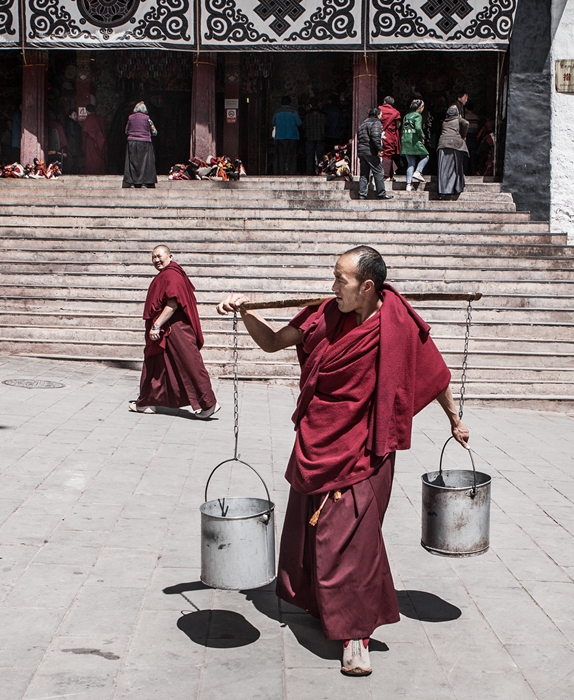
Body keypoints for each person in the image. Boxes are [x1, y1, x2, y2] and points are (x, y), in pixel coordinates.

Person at [218, 246, 470, 676]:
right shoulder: (321, 316)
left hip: (367, 449)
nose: (333, 287)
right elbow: (274, 342)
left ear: (367, 286)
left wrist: (454, 418)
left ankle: (356, 634)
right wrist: (244, 313)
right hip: (319, 439)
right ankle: (325, 606)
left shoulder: (397, 323)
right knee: (313, 533)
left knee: (352, 541)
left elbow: (435, 371)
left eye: (341, 280)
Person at [130, 245, 219, 419]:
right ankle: (148, 401)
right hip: (169, 328)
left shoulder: (172, 274)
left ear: (170, 256)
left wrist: (156, 325)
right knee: (157, 363)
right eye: (153, 257)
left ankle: (209, 403)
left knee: (190, 363)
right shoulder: (169, 273)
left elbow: (173, 304)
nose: (156, 260)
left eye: (159, 256)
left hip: (175, 328)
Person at [357, 108, 392, 200]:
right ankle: (381, 193)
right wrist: (379, 149)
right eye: (381, 114)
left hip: (362, 152)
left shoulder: (363, 123)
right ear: (377, 114)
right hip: (370, 151)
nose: (381, 116)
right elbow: (375, 136)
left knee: (364, 174)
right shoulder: (376, 122)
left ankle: (362, 194)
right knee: (379, 172)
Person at [123, 101, 158, 189]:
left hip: (132, 142)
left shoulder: (130, 118)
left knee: (132, 162)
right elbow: (154, 132)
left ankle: (133, 181)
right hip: (145, 142)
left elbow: (126, 131)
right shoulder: (147, 118)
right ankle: (146, 181)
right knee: (145, 162)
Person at [437, 104, 469, 198]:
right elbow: (466, 123)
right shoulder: (458, 120)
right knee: (455, 167)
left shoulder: (445, 122)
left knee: (443, 169)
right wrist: (463, 135)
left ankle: (442, 191)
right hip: (455, 145)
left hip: (443, 145)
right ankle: (455, 188)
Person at [401, 99, 429, 192]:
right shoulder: (418, 115)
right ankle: (418, 171)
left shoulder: (406, 116)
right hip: (414, 140)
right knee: (425, 156)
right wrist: (422, 137)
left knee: (410, 163)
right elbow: (418, 127)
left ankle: (409, 184)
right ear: (420, 107)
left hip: (405, 140)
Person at [273, 96, 302, 176]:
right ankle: (291, 172)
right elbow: (299, 123)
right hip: (292, 137)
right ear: (290, 103)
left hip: (280, 137)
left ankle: (281, 172)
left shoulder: (277, 111)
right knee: (291, 156)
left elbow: (273, 122)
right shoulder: (293, 111)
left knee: (281, 156)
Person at [379, 96, 401, 181]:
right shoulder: (395, 112)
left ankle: (386, 174)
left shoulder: (379, 109)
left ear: (384, 102)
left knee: (380, 154)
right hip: (390, 135)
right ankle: (386, 175)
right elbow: (398, 125)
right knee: (388, 154)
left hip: (380, 134)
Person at [82, 104, 108, 175]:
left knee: (91, 159)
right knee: (99, 159)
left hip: (91, 142)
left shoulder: (89, 119)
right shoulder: (100, 118)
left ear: (87, 111)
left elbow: (85, 131)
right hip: (100, 141)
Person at [302, 103, 327, 175]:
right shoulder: (323, 116)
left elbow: (303, 126)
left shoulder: (307, 116)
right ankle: (321, 171)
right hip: (320, 138)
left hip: (309, 138)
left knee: (309, 157)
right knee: (321, 156)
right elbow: (327, 125)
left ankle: (309, 172)